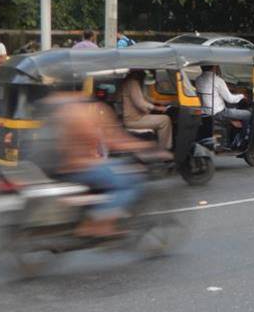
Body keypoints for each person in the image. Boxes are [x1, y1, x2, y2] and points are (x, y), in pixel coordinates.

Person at [41, 92, 153, 237]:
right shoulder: (79, 114)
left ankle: (91, 217)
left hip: (63, 167)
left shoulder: (60, 113)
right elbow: (111, 141)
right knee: (130, 181)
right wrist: (144, 146)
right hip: (78, 168)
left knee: (120, 164)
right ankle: (101, 224)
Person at [121, 70, 173, 151]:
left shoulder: (135, 83)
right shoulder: (132, 83)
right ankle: (164, 149)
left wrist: (160, 102)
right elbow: (140, 103)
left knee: (161, 118)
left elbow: (145, 97)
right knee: (165, 120)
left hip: (137, 117)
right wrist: (157, 108)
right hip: (134, 119)